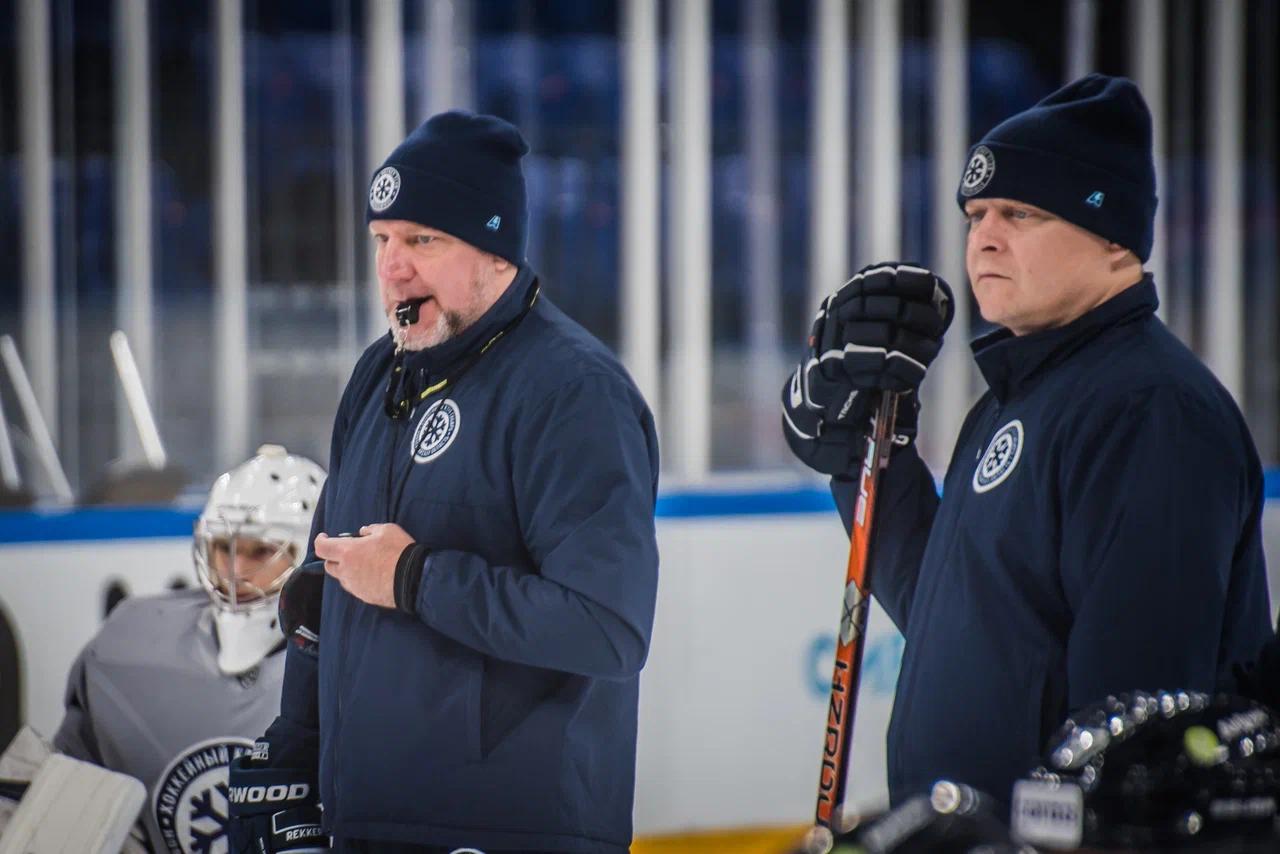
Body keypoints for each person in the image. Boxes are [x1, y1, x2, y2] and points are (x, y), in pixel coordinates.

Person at [781, 73, 1273, 806]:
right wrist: (868, 461)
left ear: (1112, 235)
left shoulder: (1149, 413)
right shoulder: (1021, 399)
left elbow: (1130, 726)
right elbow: (952, 617)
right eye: (975, 214)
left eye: (1018, 212)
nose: (983, 236)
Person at [229, 111, 660, 854]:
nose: (393, 266)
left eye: (423, 240)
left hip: (511, 830)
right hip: (365, 820)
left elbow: (608, 629)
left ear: (495, 254)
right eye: (382, 240)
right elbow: (324, 589)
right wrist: (294, 758)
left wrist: (416, 579)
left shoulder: (572, 393)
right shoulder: (378, 375)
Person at [51, 444, 325, 854]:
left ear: (309, 556)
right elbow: (64, 812)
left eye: (261, 551)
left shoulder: (356, 666)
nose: (234, 571)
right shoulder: (126, 647)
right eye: (224, 548)